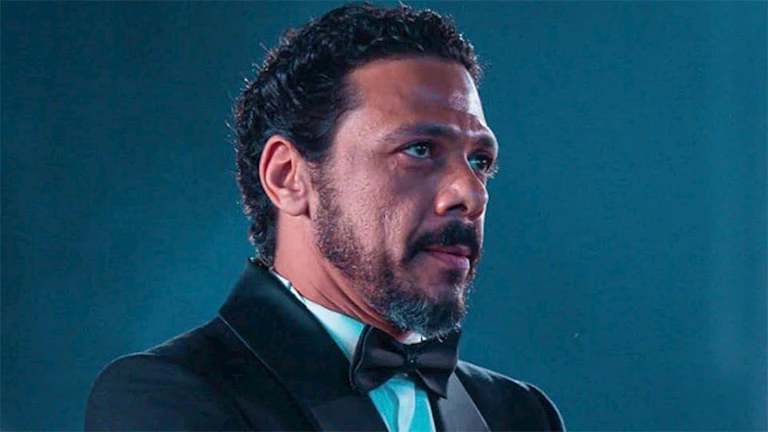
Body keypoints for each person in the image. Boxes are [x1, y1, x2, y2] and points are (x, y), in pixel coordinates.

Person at [85, 3, 565, 431]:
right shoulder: (170, 395)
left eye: (480, 161)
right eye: (420, 149)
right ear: (288, 177)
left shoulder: (521, 415)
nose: (471, 194)